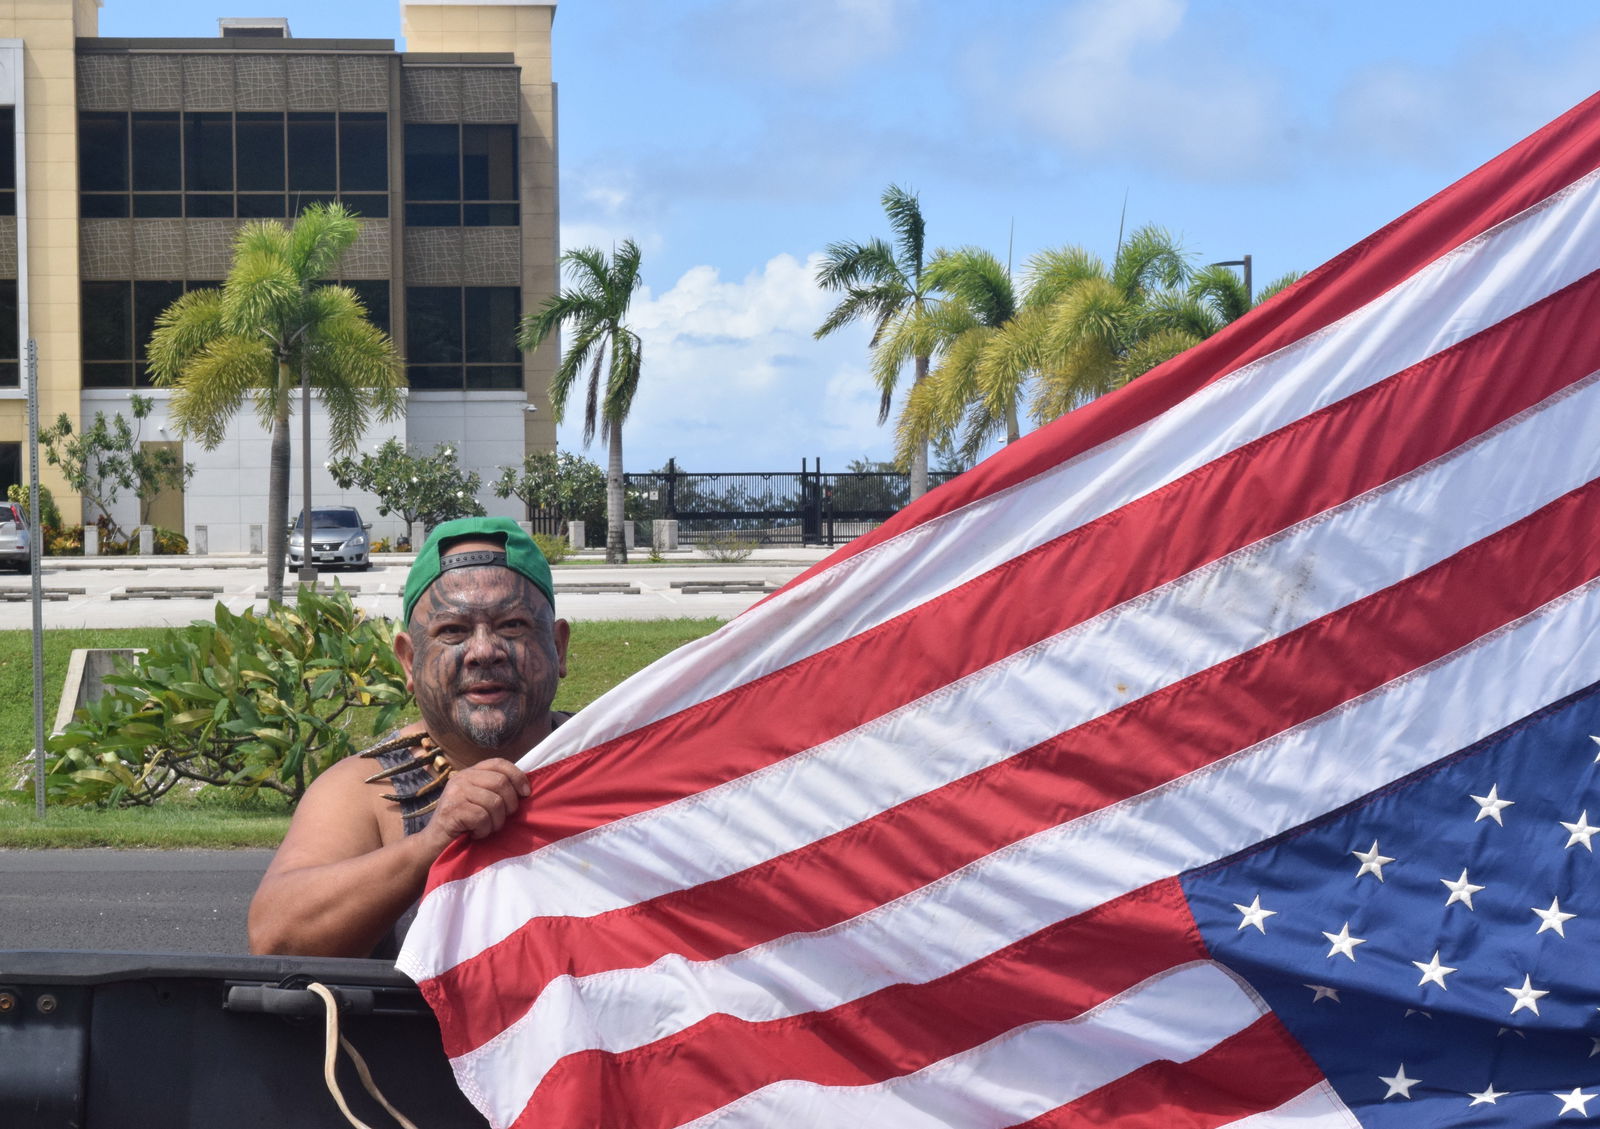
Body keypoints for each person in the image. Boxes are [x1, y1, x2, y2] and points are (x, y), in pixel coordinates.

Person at [248, 516, 570, 958]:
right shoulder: (366, 791)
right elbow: (276, 937)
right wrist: (433, 842)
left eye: (512, 625)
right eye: (452, 631)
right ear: (408, 661)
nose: (483, 652)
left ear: (560, 647)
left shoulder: (615, 760)